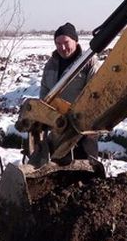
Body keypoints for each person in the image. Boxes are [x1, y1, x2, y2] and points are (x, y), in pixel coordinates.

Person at [39, 22, 100, 160]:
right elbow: (44, 93)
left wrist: (81, 119)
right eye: (58, 43)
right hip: (58, 127)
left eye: (66, 42)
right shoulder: (50, 64)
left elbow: (95, 94)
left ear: (76, 41)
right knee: (59, 171)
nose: (62, 47)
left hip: (83, 129)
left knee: (85, 170)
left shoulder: (88, 62)